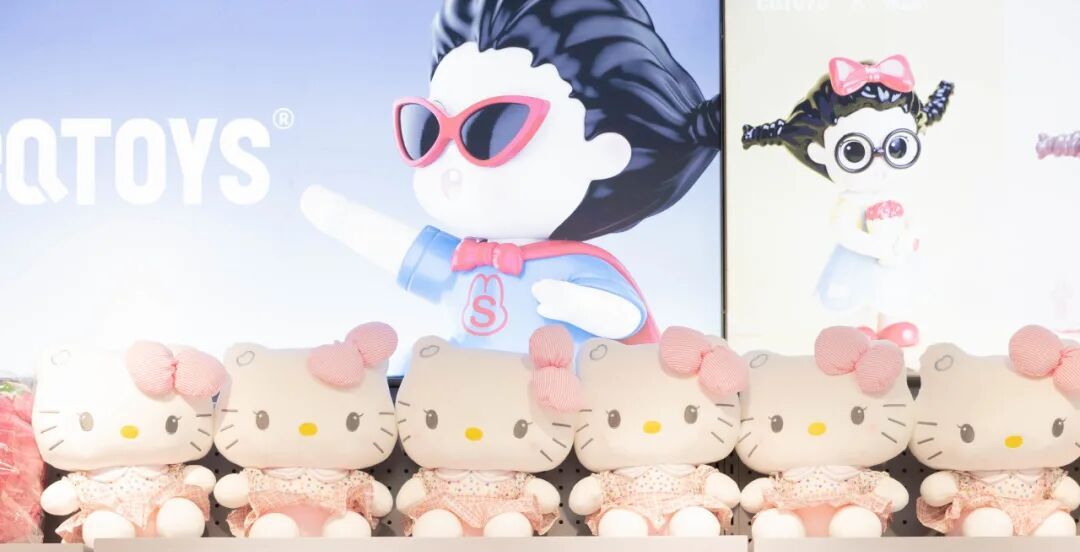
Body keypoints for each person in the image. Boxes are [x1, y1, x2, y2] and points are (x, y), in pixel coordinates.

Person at [301, 0, 720, 349]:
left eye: (490, 129)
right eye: (427, 128)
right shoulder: (459, 260)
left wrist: (577, 304)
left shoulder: (573, 266)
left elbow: (627, 317)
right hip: (460, 401)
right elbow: (396, 249)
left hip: (555, 400)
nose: (450, 163)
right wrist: (341, 217)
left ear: (604, 152)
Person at [743, 55, 954, 346]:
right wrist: (878, 248)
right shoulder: (851, 202)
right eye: (855, 152)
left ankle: (890, 323)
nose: (880, 164)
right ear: (820, 153)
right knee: (862, 293)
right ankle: (863, 325)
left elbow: (915, 223)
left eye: (897, 147)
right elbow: (843, 230)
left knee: (892, 291)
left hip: (895, 257)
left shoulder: (896, 194)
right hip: (861, 259)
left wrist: (909, 238)